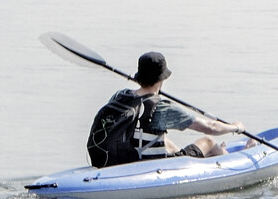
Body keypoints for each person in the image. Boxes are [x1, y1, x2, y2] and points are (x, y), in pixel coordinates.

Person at [86, 52, 249, 168]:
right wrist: (235, 127)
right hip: (149, 166)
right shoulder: (160, 107)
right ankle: (231, 160)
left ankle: (210, 156)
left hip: (119, 160)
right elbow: (211, 127)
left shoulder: (121, 95)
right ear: (161, 79)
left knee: (162, 139)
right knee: (208, 142)